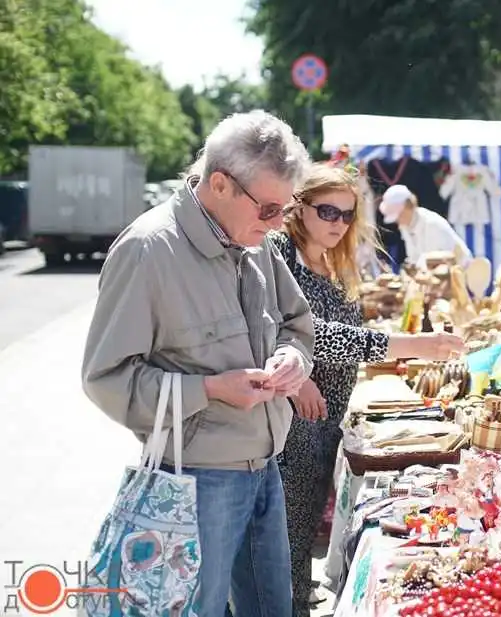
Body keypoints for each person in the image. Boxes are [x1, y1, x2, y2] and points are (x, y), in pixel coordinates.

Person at [82, 110, 315, 617]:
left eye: (286, 208)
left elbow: (299, 323)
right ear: (219, 184)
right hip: (195, 483)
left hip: (266, 468)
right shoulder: (148, 251)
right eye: (270, 208)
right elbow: (105, 379)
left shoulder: (259, 245)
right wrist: (210, 390)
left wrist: (293, 357)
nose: (279, 224)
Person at [268, 165, 466, 617]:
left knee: (299, 530)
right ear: (299, 207)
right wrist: (410, 345)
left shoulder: (332, 259)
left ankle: (295, 599)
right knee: (284, 533)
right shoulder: (279, 252)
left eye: (346, 214)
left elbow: (347, 331)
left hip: (325, 418)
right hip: (290, 421)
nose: (338, 222)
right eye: (327, 211)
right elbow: (307, 334)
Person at [378, 183, 473, 268]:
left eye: (399, 215)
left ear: (408, 207)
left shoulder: (432, 224)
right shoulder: (405, 227)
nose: (397, 221)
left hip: (460, 273)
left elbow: (437, 261)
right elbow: (413, 258)